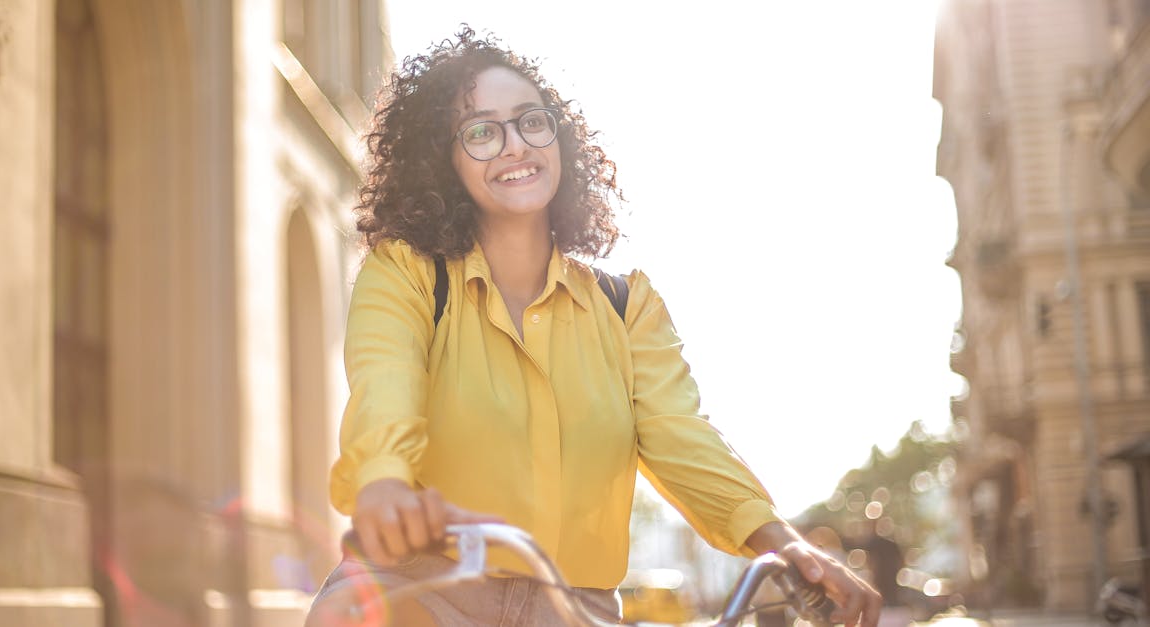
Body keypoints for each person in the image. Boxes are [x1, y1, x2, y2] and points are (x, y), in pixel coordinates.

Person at [306, 27, 882, 627]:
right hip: (418, 592)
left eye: (531, 120)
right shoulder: (406, 272)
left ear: (560, 136)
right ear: (442, 160)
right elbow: (384, 386)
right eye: (479, 131)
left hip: (573, 609)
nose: (514, 145)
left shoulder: (626, 304)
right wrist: (384, 485)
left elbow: (681, 434)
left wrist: (782, 541)